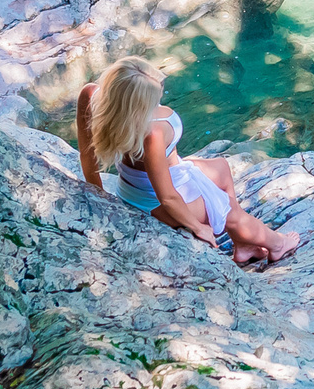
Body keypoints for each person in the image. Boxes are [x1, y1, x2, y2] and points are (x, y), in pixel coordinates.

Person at [75, 56, 300, 267]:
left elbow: (87, 154)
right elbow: (168, 197)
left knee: (222, 168)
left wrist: (99, 195)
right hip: (154, 201)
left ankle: (243, 243)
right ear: (137, 106)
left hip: (135, 185)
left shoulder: (92, 95)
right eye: (154, 98)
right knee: (226, 207)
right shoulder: (152, 132)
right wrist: (198, 227)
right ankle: (277, 244)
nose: (160, 98)